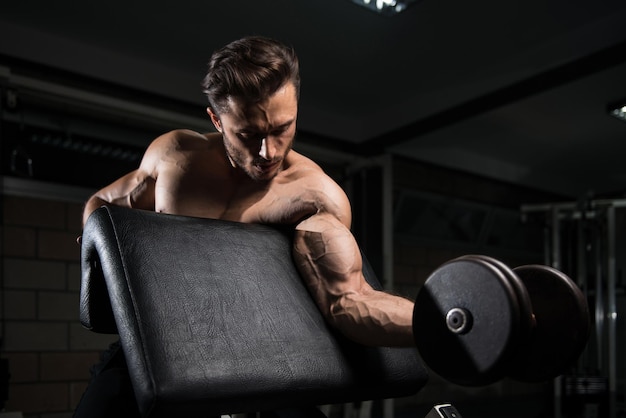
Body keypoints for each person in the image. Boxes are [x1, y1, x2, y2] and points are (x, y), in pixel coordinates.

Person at [75, 35, 414, 417]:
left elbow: (348, 300)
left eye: (283, 128)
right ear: (217, 120)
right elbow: (102, 205)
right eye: (248, 135)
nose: (268, 152)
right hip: (159, 346)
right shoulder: (174, 157)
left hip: (267, 354)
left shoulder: (315, 195)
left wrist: (438, 323)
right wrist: (100, 261)